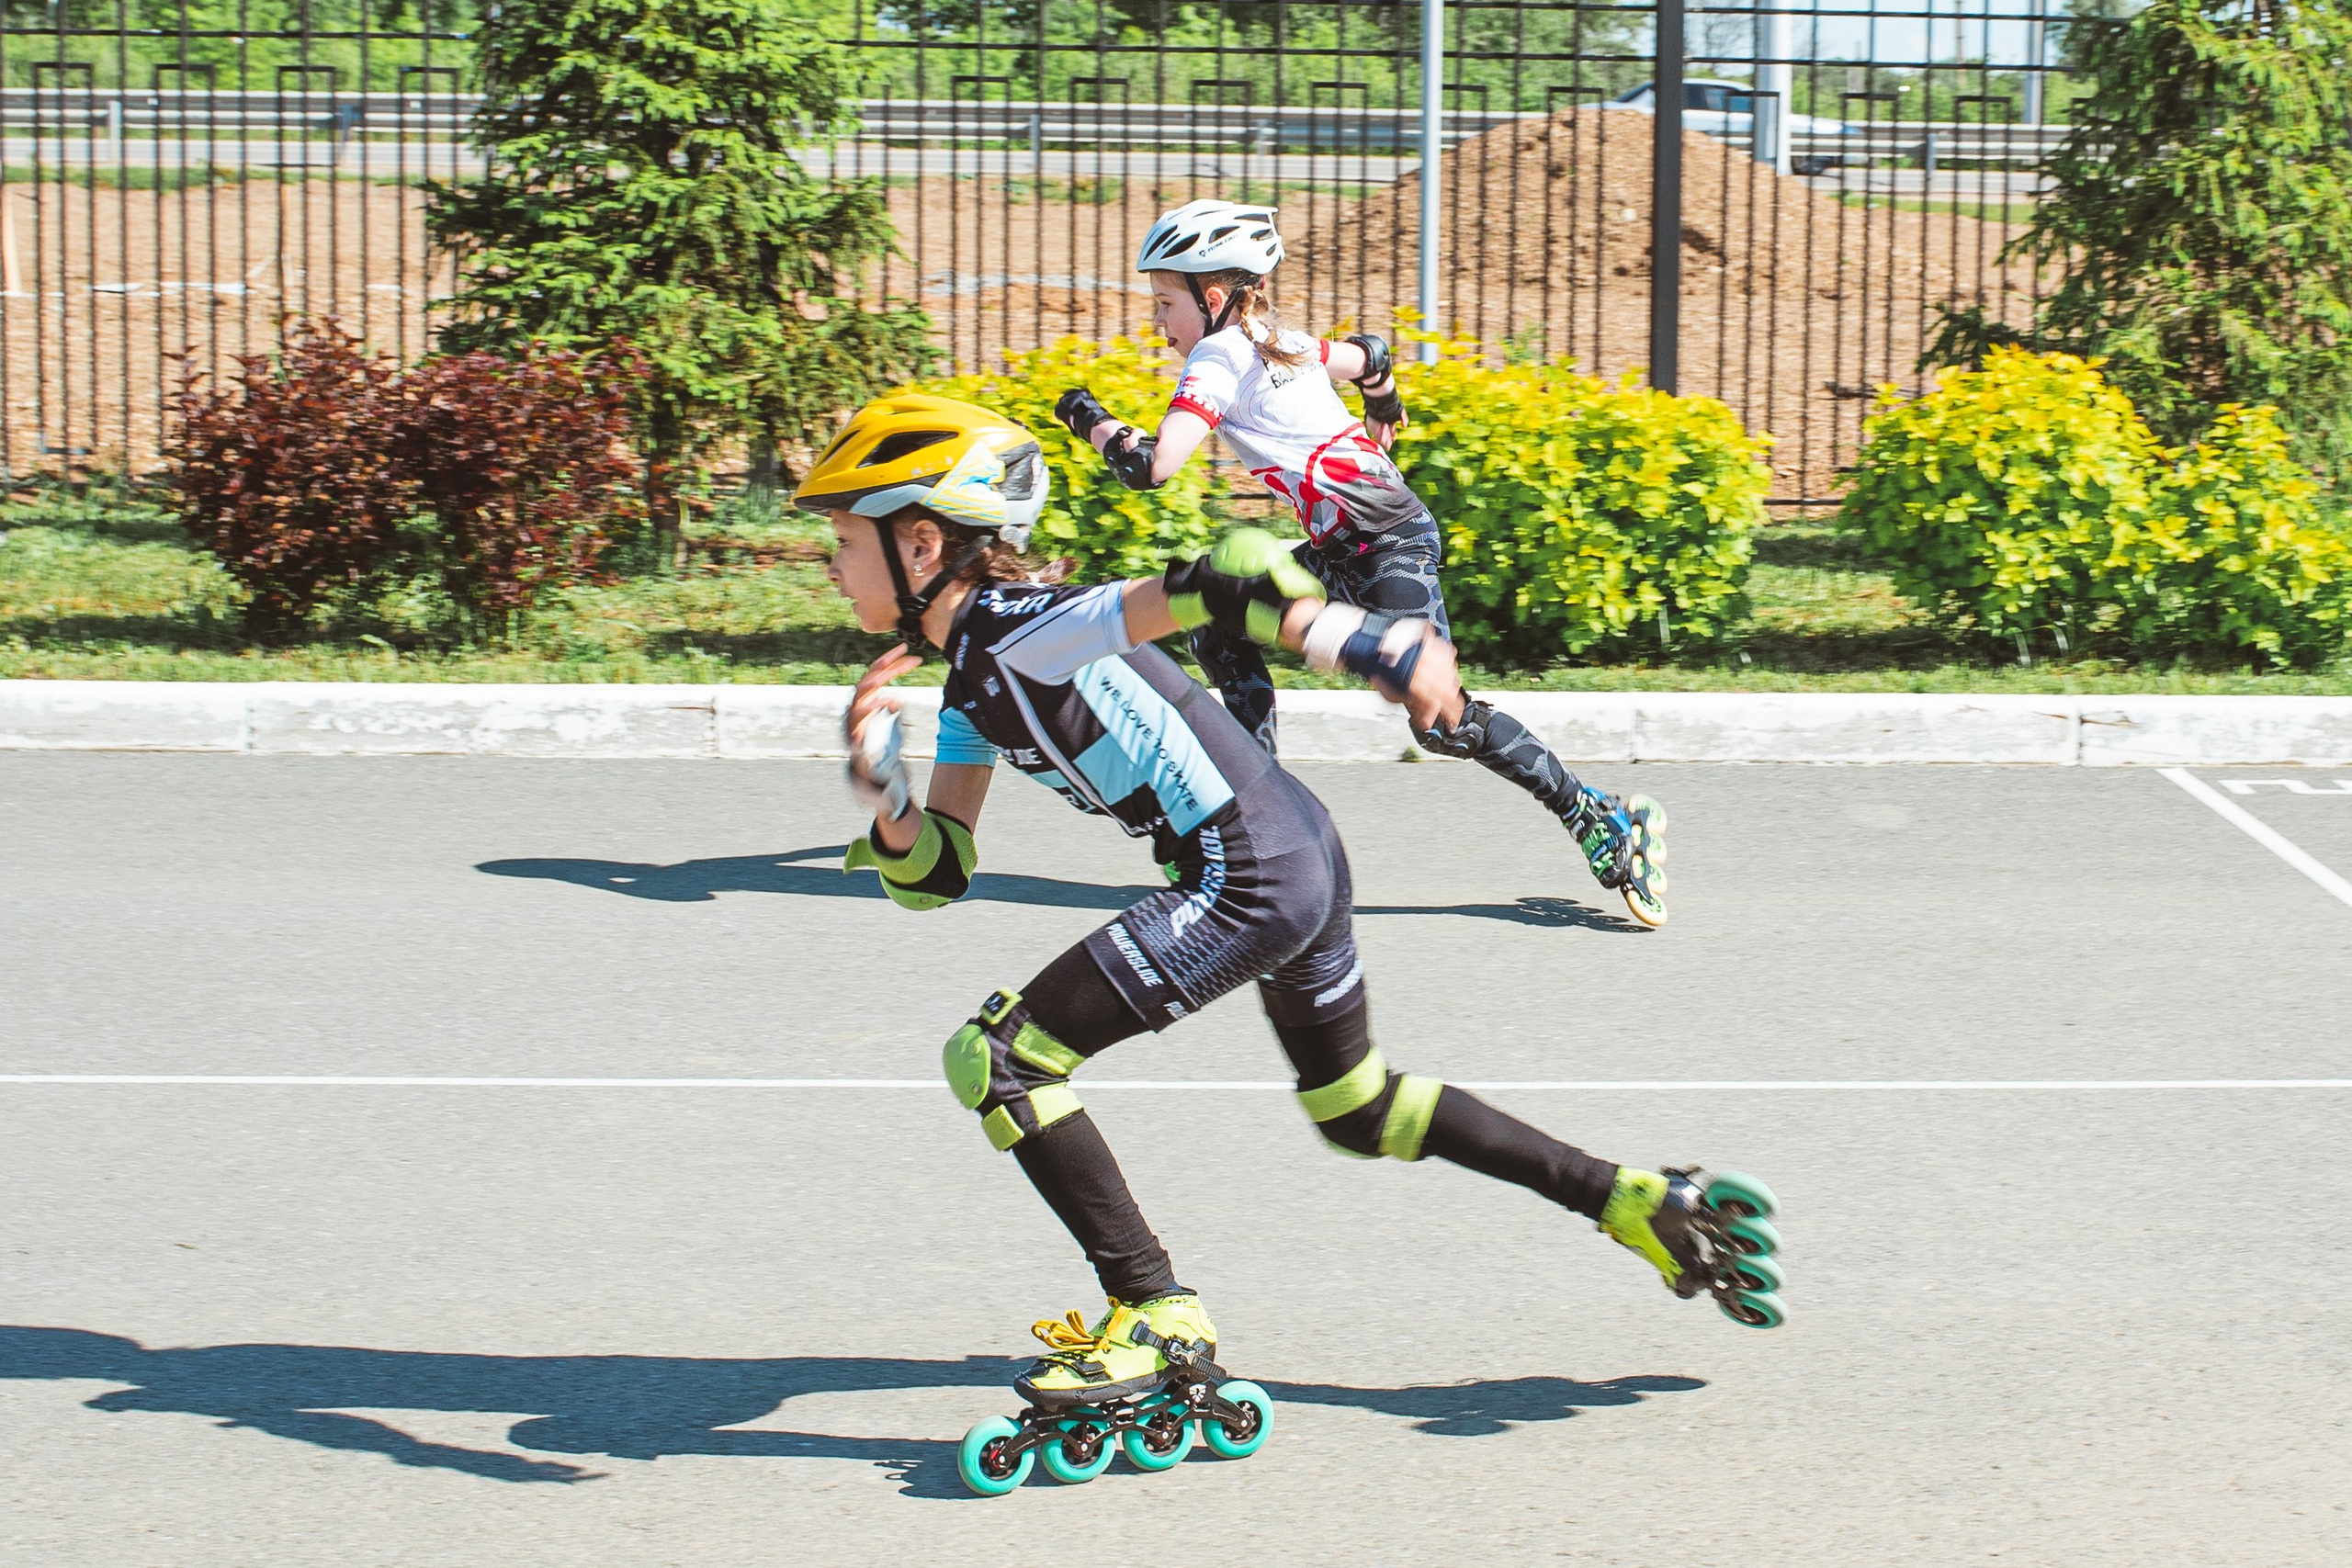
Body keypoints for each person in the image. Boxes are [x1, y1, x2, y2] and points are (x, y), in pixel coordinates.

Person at [795, 392, 1783, 1496]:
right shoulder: (973, 678)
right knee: (1359, 1110)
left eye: (843, 539)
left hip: (1249, 870)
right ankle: (1632, 1200)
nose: (831, 563)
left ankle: (1153, 1310)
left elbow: (1221, 578)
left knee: (1003, 1057)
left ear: (920, 541)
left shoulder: (1029, 628)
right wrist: (884, 790)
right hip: (1296, 848)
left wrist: (1369, 643)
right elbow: (937, 872)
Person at [1051, 197, 1671, 927]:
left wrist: (1083, 415)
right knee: (1218, 625)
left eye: (1165, 304)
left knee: (1439, 720)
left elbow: (1153, 465)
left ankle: (1597, 814)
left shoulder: (1220, 353)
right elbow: (1371, 353)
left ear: (1213, 299)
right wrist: (1383, 408)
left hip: (1389, 544)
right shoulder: (1278, 335)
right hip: (1345, 543)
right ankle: (1255, 823)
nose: (1159, 325)